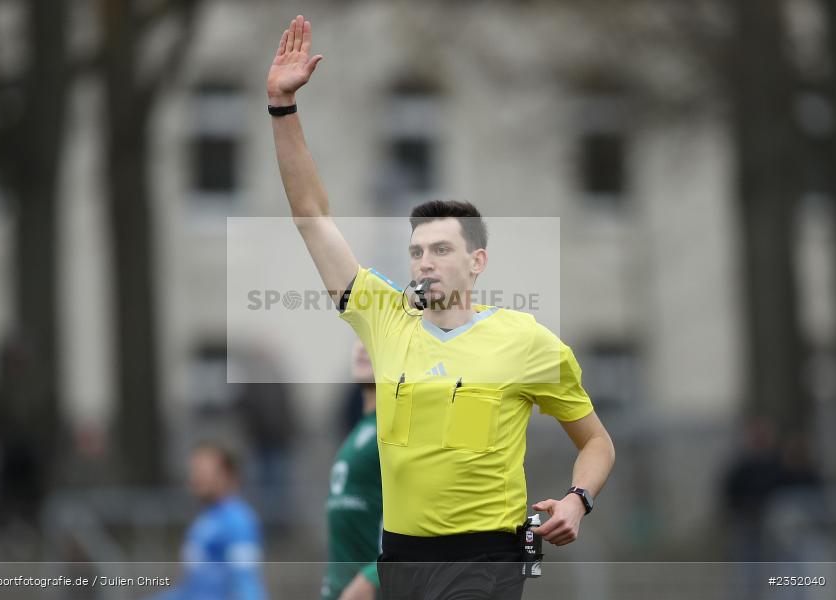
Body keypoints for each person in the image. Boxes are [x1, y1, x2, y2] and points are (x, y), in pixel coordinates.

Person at [267, 15, 616, 600]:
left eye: (441, 249)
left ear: (476, 263)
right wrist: (282, 109)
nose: (424, 262)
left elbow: (598, 442)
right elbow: (311, 218)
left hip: (488, 559)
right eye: (416, 251)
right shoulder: (385, 318)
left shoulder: (525, 340)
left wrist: (578, 502)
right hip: (400, 558)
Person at [156, 442, 268, 600]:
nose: (195, 478)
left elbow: (246, 582)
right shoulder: (207, 519)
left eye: (203, 471)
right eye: (193, 470)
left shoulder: (237, 522)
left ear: (227, 475)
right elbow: (193, 589)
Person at [321, 341, 383, 600]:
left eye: (373, 339)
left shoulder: (400, 431)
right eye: (359, 337)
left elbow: (429, 521)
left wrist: (372, 578)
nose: (361, 347)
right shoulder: (360, 429)